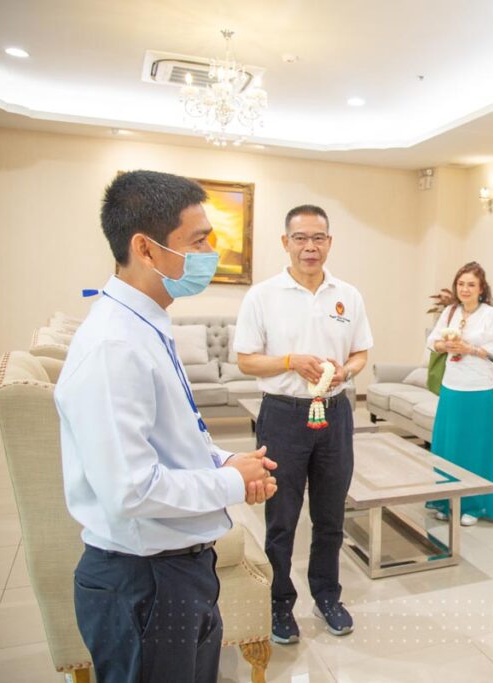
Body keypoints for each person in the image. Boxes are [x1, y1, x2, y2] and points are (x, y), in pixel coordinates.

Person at [55, 170, 278, 683]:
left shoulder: (146, 323)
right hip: (144, 580)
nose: (210, 254)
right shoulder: (114, 346)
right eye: (198, 242)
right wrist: (231, 482)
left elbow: (174, 438)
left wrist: (227, 461)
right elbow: (131, 490)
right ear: (146, 249)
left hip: (177, 568)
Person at [234, 204, 373, 644]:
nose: (310, 247)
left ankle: (327, 596)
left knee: (331, 514)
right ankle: (279, 602)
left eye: (318, 238)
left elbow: (361, 352)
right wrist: (291, 361)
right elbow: (246, 360)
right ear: (285, 242)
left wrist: (347, 370)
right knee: (282, 517)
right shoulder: (263, 295)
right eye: (300, 238)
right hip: (283, 414)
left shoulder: (348, 295)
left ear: (329, 242)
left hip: (335, 412)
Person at [426, 261, 493, 526]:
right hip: (451, 388)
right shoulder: (450, 311)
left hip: (478, 390)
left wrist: (470, 349)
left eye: (471, 285)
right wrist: (445, 345)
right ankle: (446, 500)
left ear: (481, 289)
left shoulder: (491, 316)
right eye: (461, 284)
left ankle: (474, 506)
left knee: (474, 449)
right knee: (448, 448)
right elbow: (432, 342)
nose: (465, 289)